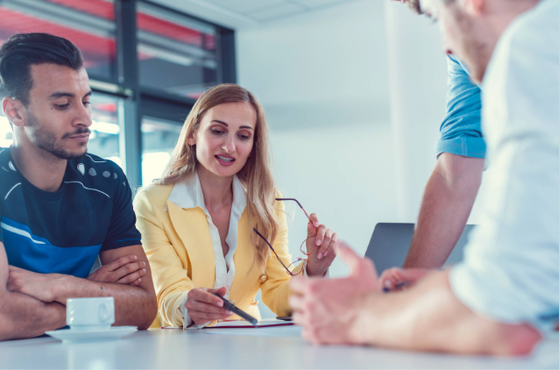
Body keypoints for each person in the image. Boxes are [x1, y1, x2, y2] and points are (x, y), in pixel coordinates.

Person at [290, 0, 559, 355]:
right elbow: (457, 169)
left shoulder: (530, 44)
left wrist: (358, 313)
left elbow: (503, 319)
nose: (447, 46)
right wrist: (428, 297)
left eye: (436, 18)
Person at [134, 84, 338, 328]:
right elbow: (167, 292)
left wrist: (314, 271)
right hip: (178, 346)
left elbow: (276, 291)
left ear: (253, 146)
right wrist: (189, 306)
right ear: (192, 134)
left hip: (245, 345)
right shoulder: (152, 202)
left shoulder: (268, 204)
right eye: (218, 131)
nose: (229, 147)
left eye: (243, 136)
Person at [0, 33, 157, 341]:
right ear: (16, 112)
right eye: (62, 105)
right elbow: (3, 318)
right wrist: (89, 294)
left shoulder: (107, 181)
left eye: (86, 101)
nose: (85, 118)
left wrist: (62, 286)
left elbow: (144, 308)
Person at [386, 0, 485, 278]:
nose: (447, 47)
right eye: (434, 19)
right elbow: (456, 170)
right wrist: (407, 292)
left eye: (445, 13)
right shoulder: (467, 54)